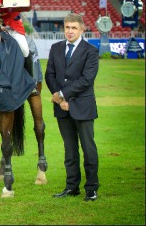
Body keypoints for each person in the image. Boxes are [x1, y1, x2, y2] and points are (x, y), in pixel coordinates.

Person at [45, 13, 99, 202]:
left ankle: (91, 188)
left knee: (88, 149)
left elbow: (87, 79)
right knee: (70, 150)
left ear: (82, 29)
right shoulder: (55, 48)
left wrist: (62, 95)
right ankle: (71, 187)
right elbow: (49, 75)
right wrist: (60, 100)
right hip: (62, 108)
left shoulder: (91, 51)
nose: (70, 31)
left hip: (82, 106)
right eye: (67, 27)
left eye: (74, 28)